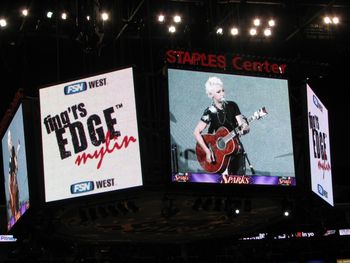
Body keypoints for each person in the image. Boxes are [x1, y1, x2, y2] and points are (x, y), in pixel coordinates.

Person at [193, 76, 250, 176]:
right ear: (211, 95)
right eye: (218, 92)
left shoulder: (232, 105)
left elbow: (244, 127)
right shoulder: (209, 111)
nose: (222, 93)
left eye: (223, 90)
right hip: (219, 156)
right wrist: (207, 151)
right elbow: (196, 132)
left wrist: (245, 128)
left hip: (236, 152)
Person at [7, 130, 20, 220]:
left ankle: (16, 210)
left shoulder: (14, 157)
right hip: (11, 175)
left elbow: (15, 152)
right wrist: (9, 135)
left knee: (14, 193)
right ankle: (14, 212)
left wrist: (18, 147)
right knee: (13, 193)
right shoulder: (12, 156)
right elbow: (9, 144)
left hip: (13, 174)